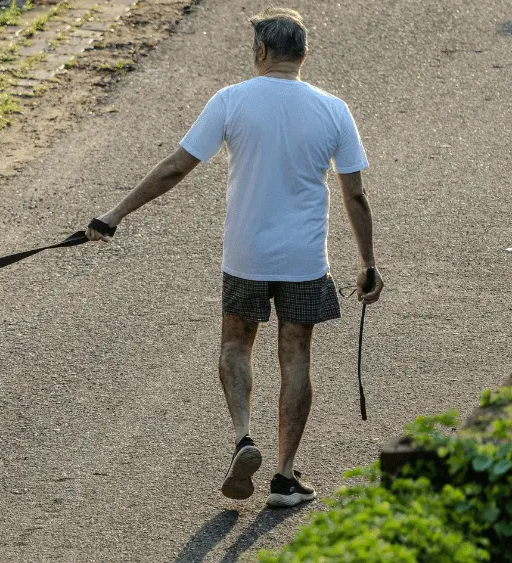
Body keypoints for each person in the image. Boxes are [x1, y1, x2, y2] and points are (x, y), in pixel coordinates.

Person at [86, 7, 384, 506]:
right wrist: (368, 263)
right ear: (304, 54)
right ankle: (285, 477)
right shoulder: (334, 109)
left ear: (261, 51)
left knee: (235, 345)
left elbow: (175, 167)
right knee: (296, 354)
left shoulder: (231, 101)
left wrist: (113, 216)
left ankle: (244, 435)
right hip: (304, 260)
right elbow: (354, 195)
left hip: (246, 255)